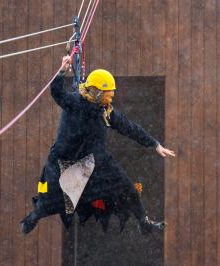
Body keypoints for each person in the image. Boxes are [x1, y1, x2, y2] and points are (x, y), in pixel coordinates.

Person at [21, 55, 175, 235]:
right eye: (108, 94)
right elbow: (57, 93)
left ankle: (144, 222)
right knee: (52, 201)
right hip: (65, 161)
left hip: (94, 160)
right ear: (97, 92)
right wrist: (62, 71)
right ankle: (34, 217)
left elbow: (130, 128)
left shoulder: (106, 112)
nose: (112, 98)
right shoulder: (75, 102)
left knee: (129, 190)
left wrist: (154, 144)